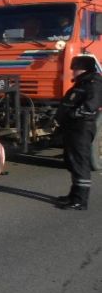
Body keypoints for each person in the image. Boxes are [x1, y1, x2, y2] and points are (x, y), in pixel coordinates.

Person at [54, 55, 102, 211]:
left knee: (80, 163)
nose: (73, 72)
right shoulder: (83, 83)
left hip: (81, 128)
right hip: (73, 129)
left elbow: (91, 105)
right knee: (73, 162)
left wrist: (74, 114)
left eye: (75, 69)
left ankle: (80, 201)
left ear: (84, 69)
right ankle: (73, 195)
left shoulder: (93, 84)